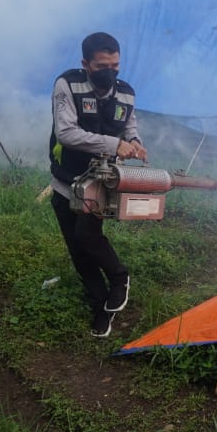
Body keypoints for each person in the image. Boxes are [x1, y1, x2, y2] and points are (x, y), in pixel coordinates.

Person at [48, 32, 148, 338]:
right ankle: (100, 306)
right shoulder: (68, 85)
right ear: (86, 64)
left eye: (115, 65)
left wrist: (134, 142)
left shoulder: (127, 94)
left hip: (99, 184)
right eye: (103, 65)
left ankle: (119, 278)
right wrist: (113, 143)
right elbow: (66, 133)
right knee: (77, 249)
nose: (111, 71)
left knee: (88, 235)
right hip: (66, 179)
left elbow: (129, 127)